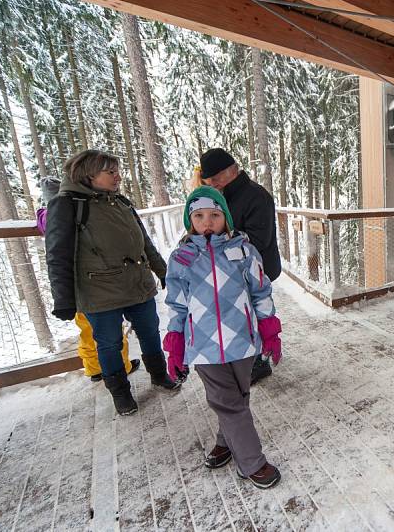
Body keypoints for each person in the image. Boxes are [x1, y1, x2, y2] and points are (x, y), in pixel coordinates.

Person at [163, 186, 282, 488]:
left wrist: (270, 330)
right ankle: (252, 461)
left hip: (242, 341)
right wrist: (175, 343)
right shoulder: (182, 258)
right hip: (203, 347)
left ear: (225, 218)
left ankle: (226, 441)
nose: (207, 222)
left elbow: (260, 291)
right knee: (228, 402)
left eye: (215, 215)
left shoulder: (243, 250)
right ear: (190, 221)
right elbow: (176, 304)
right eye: (199, 215)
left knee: (238, 398)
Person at [46, 150, 180, 416]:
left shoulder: (120, 201)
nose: (118, 176)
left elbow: (143, 242)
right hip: (99, 292)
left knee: (151, 331)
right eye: (111, 172)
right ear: (90, 174)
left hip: (137, 285)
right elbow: (57, 254)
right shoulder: (67, 205)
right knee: (109, 344)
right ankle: (121, 394)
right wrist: (63, 299)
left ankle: (159, 374)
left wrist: (163, 271)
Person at [36, 176, 139, 382]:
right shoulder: (76, 212)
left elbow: (43, 223)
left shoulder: (49, 218)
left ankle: (93, 369)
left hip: (73, 289)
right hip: (94, 286)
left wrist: (40, 212)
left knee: (87, 332)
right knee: (111, 331)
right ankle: (123, 366)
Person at [198, 148, 280, 384]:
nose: (212, 183)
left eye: (216, 177)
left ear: (233, 169)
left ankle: (260, 360)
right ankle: (249, 357)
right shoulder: (222, 196)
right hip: (234, 272)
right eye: (209, 179)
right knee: (242, 316)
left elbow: (258, 240)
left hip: (257, 270)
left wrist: (219, 243)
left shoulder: (257, 196)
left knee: (257, 313)